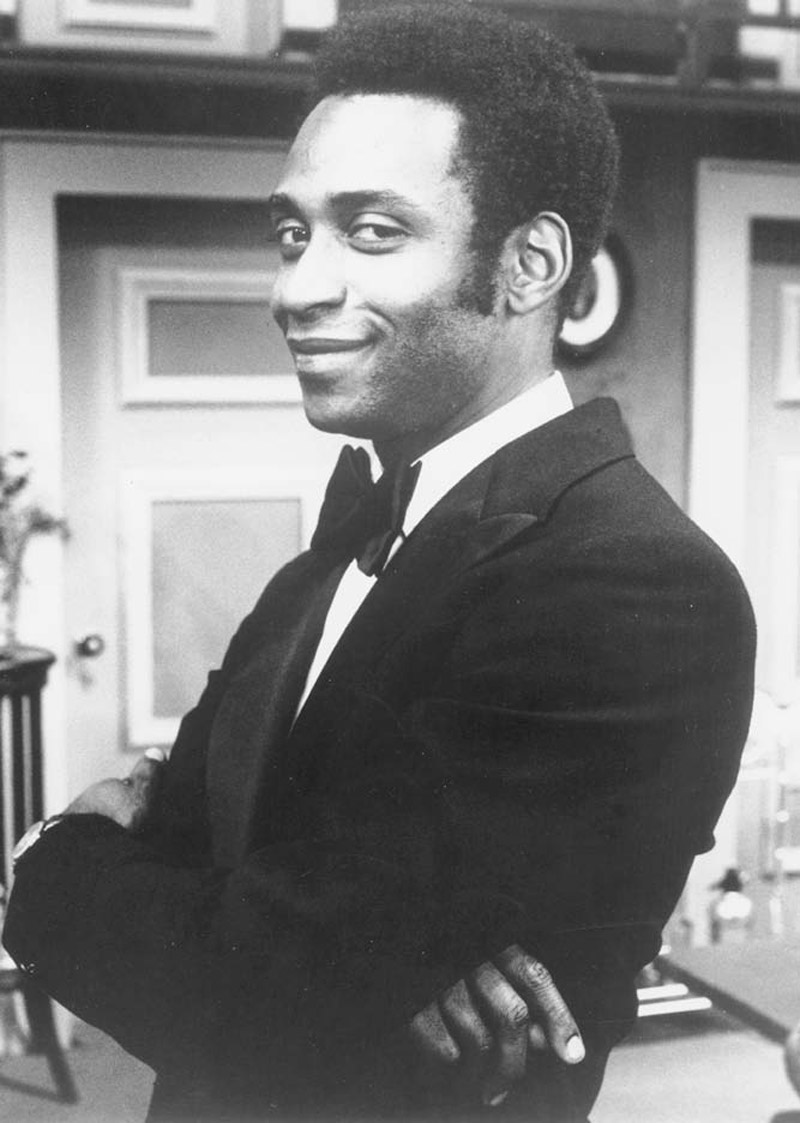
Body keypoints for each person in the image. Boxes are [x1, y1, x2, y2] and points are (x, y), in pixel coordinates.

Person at [4, 5, 756, 1121]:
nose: (293, 289)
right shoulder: (325, 561)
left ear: (530, 264)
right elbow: (224, 885)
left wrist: (48, 861)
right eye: (292, 234)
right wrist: (327, 964)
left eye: (370, 231)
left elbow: (247, 989)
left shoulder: (629, 581)